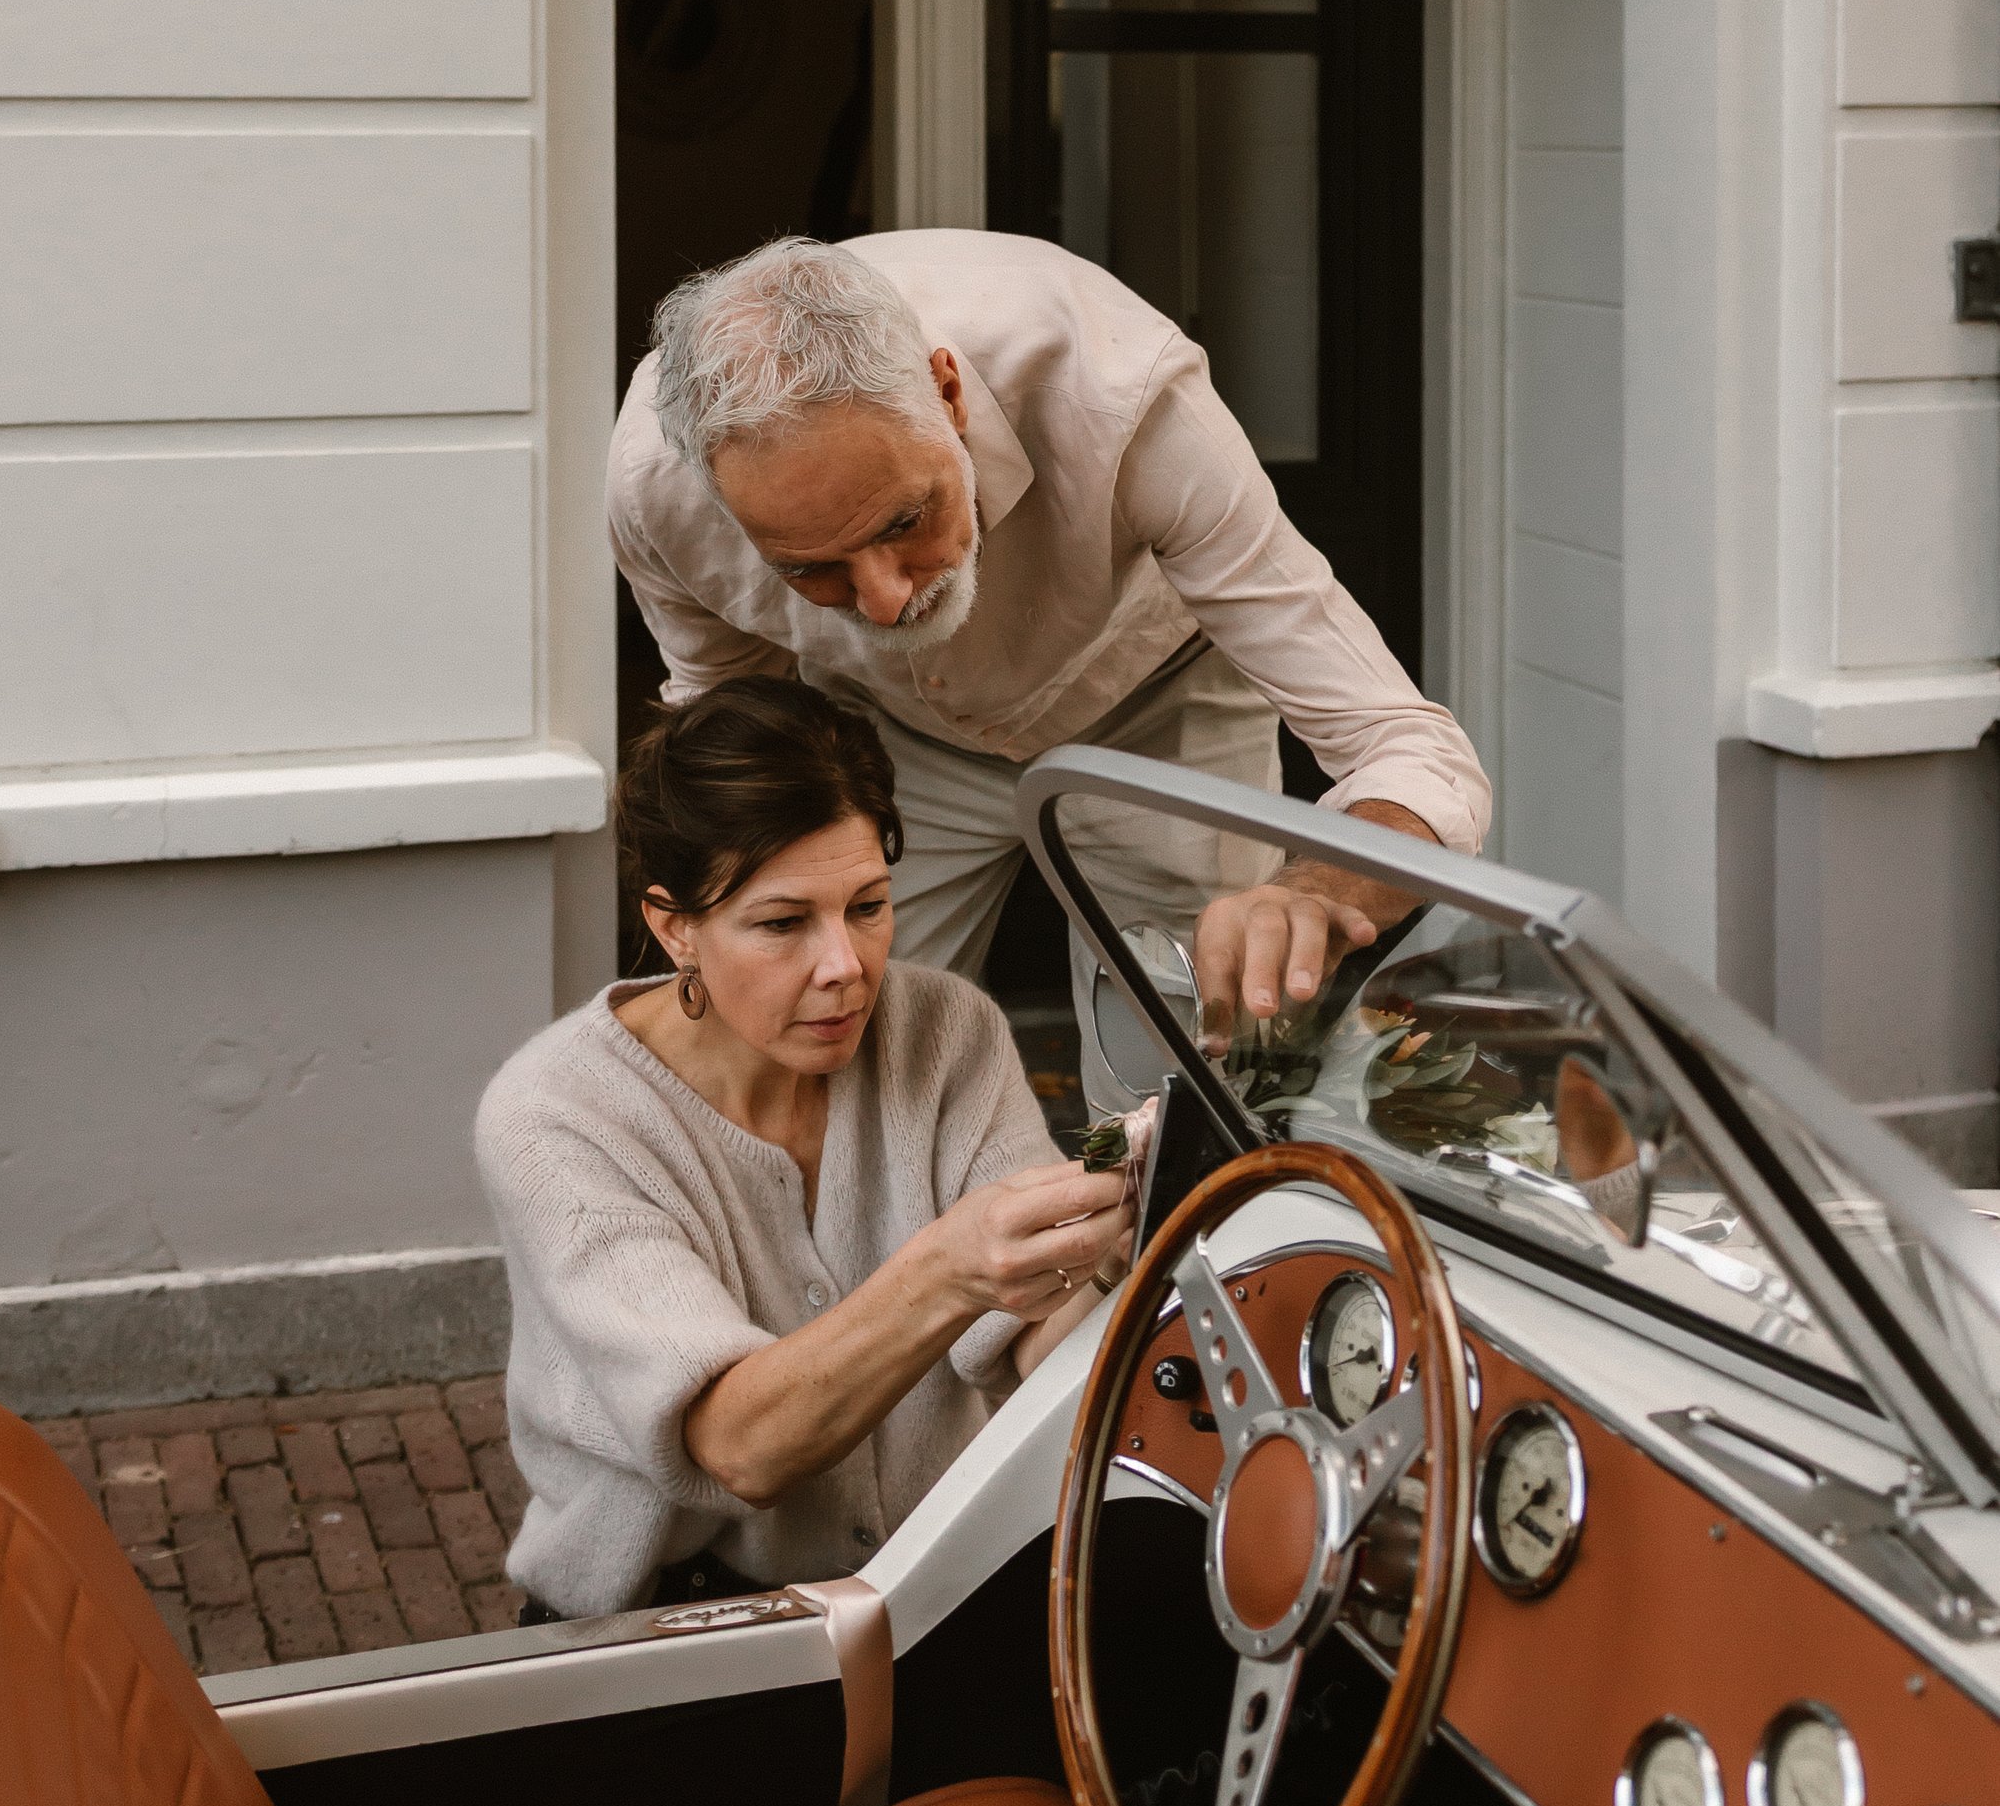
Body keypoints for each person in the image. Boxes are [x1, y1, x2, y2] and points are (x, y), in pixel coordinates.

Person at [609, 230, 1491, 1076]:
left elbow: (1409, 749)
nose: (883, 599)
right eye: (810, 568)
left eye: (905, 521)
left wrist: (1316, 896)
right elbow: (733, 733)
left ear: (946, 393)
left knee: (1186, 1066)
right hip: (878, 732)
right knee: (842, 1058)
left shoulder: (1121, 390)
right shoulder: (655, 489)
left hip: (1156, 707)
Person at [475, 678, 1139, 1623]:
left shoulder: (947, 1030)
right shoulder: (555, 1115)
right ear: (674, 926)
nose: (846, 966)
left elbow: (1030, 1339)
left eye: (867, 906)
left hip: (933, 1585)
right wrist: (950, 1267)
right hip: (664, 1623)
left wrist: (1110, 1255)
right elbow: (740, 1448)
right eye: (783, 924)